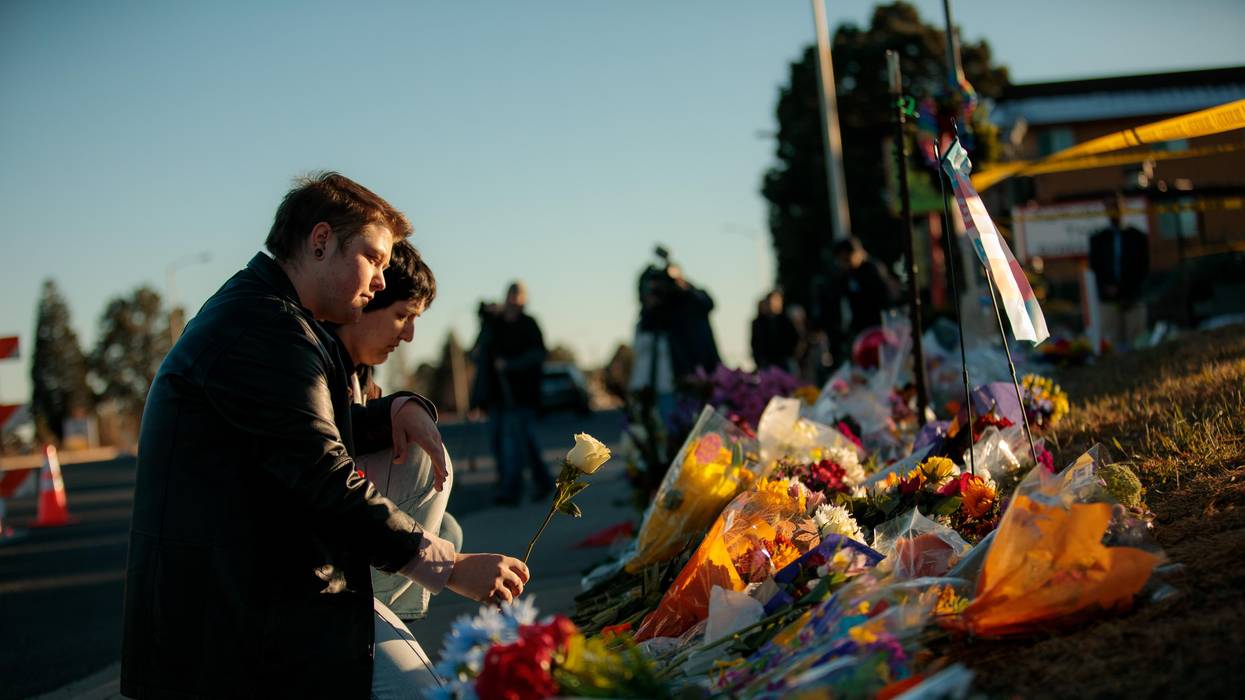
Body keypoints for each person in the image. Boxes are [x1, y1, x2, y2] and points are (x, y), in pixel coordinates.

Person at [121, 173, 528, 698]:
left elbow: (299, 436)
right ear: (319, 242)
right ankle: (379, 611)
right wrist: (451, 568)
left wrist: (394, 411)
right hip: (233, 631)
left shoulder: (269, 314)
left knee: (425, 471)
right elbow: (324, 477)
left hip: (254, 599)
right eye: (375, 259)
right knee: (425, 694)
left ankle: (379, 608)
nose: (382, 280)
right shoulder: (265, 332)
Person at [472, 281, 553, 506]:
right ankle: (542, 482)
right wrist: (486, 321)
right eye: (511, 294)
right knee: (512, 442)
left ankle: (511, 490)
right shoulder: (495, 324)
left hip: (522, 395)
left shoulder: (529, 324)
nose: (513, 300)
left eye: (518, 295)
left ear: (524, 299)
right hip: (497, 395)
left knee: (513, 443)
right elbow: (479, 352)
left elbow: (539, 354)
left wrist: (511, 365)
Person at [1089, 193, 1150, 350]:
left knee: (1137, 345)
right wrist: (1108, 288)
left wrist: (1126, 291)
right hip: (1109, 301)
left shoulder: (1137, 237)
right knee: (1112, 346)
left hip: (1133, 299)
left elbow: (1143, 268)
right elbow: (1096, 268)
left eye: (1116, 206)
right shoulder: (1098, 239)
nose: (1113, 210)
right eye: (1110, 206)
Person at [832, 236, 901, 337]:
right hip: (860, 330)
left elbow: (884, 298)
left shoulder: (871, 269)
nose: (845, 263)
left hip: (878, 327)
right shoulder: (846, 276)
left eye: (847, 258)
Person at [750, 290, 799, 372]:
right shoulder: (759, 323)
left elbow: (795, 339)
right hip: (766, 363)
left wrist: (790, 355)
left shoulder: (786, 321)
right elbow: (755, 343)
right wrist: (759, 360)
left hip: (784, 361)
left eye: (778, 301)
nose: (775, 304)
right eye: (772, 301)